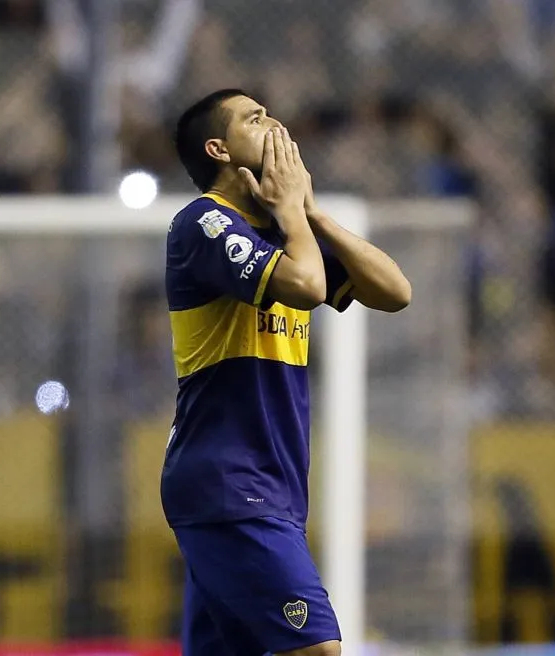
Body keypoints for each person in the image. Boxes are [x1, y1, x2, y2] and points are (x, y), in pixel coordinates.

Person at [163, 88, 411, 656]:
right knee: (318, 650)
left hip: (265, 484)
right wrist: (295, 215)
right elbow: (308, 288)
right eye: (255, 118)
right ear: (218, 149)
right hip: (231, 482)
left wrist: (313, 214)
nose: (275, 123)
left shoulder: (283, 236)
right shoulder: (203, 222)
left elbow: (396, 292)